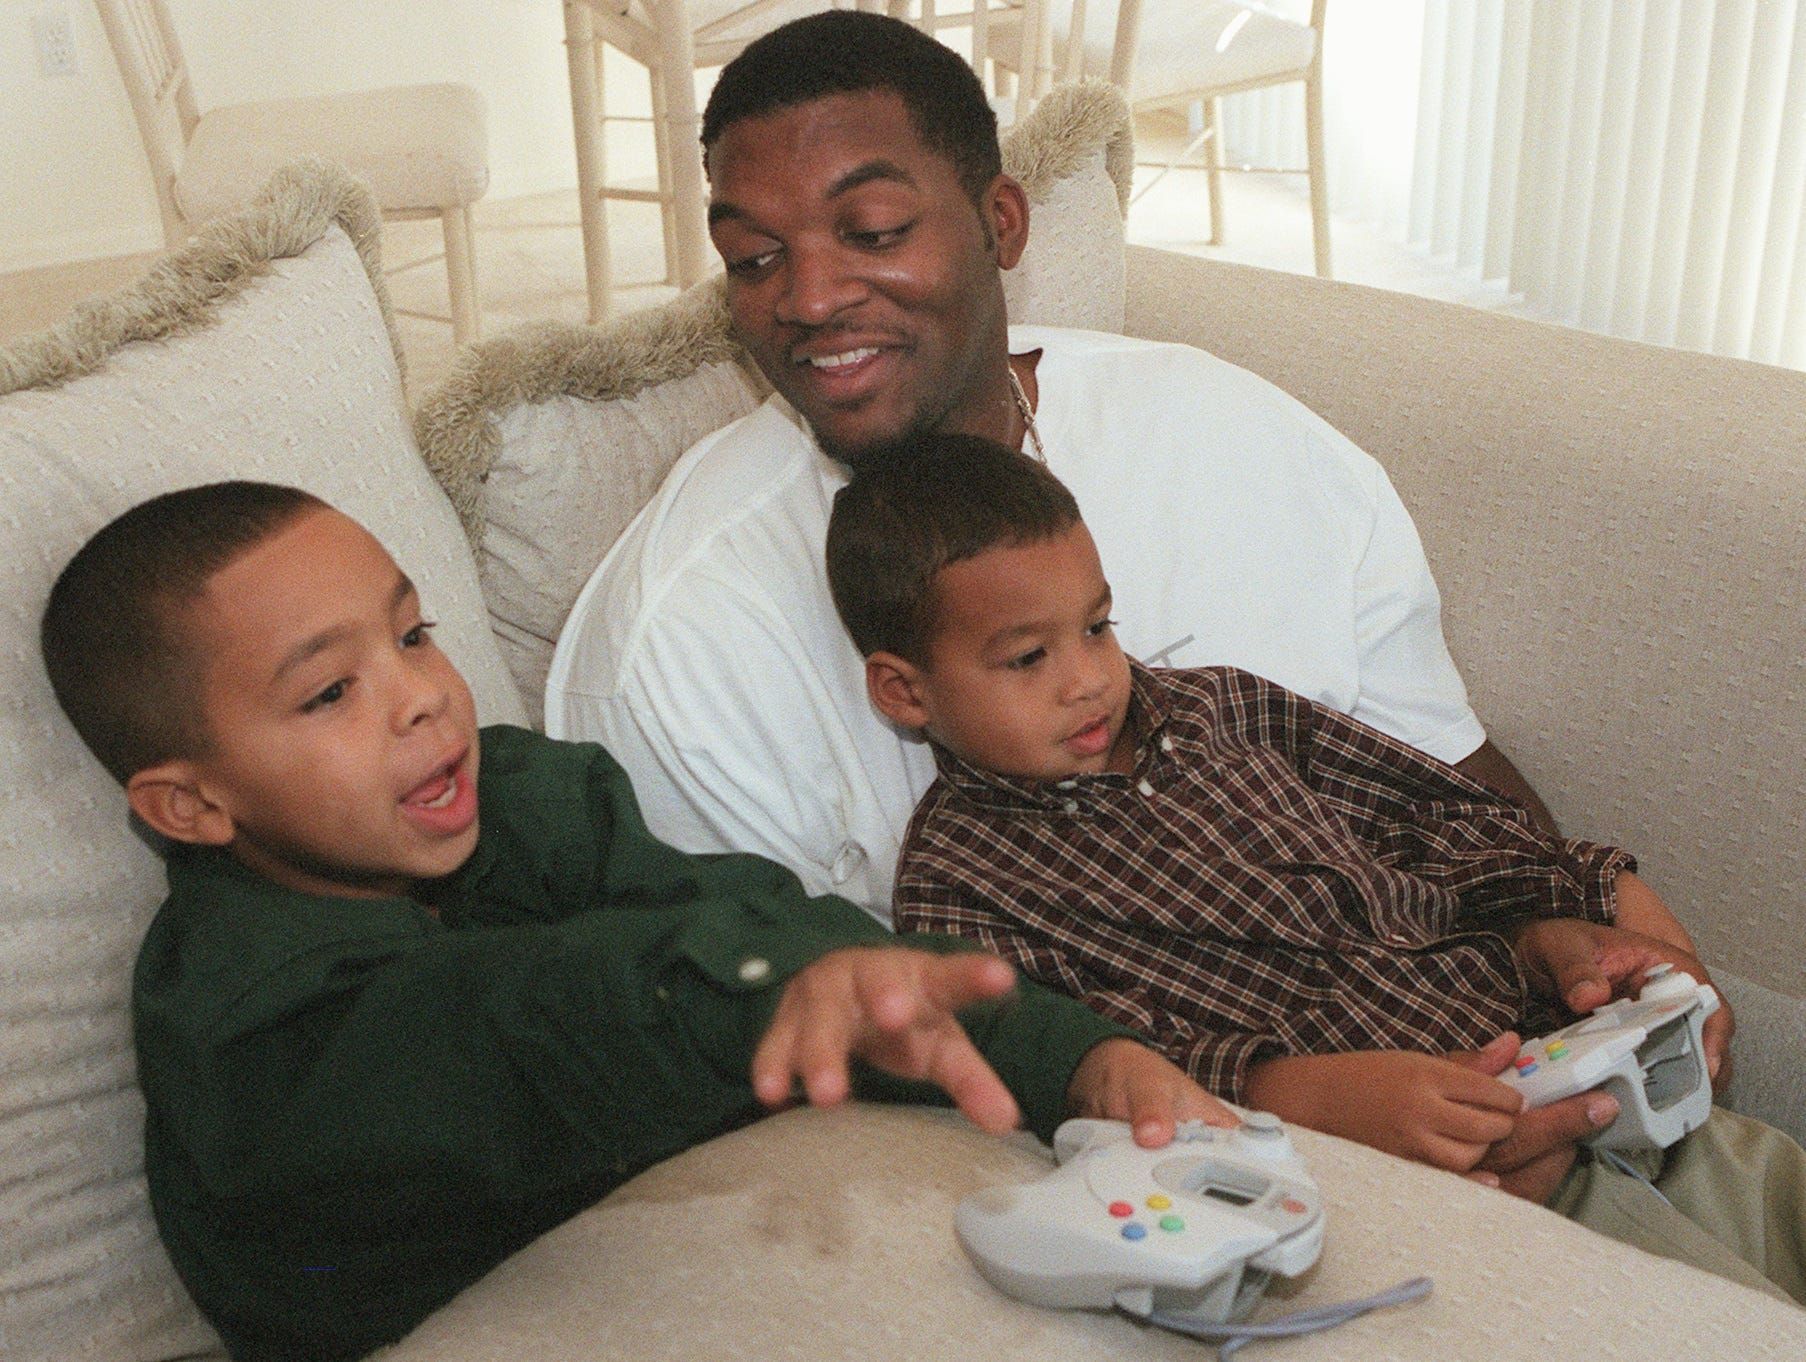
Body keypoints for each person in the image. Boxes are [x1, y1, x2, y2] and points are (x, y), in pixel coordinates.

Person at [544, 7, 1730, 1208]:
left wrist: (1612, 938)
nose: (807, 296)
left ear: (1001, 223)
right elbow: (794, 1081)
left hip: (1537, 1054)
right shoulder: (679, 649)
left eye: (874, 229)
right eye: (755, 257)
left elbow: (1451, 790)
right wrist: (1321, 1120)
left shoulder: (1236, 437)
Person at [38, 481, 1236, 1362]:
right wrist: (754, 989)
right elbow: (529, 1021)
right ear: (191, 804)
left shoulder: (512, 800)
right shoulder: (249, 1023)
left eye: (412, 636)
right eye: (330, 692)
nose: (420, 699)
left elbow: (755, 921)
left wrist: (1078, 1057)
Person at [823, 430, 1806, 1305]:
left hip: (1587, 1067)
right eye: (1028, 658)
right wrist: (1303, 1095)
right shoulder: (962, 884)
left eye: (1097, 625)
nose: (1088, 676)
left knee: (1773, 1197)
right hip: (1444, 1194)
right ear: (904, 692)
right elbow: (1083, 1077)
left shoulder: (1224, 709)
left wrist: (1563, 919)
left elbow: (1438, 820)